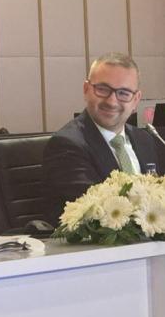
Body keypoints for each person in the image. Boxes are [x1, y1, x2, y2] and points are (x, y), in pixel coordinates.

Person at [43, 52, 162, 227]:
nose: (112, 101)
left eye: (123, 93)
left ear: (136, 100)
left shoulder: (146, 140)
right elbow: (98, 214)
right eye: (103, 89)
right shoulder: (66, 146)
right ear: (86, 90)